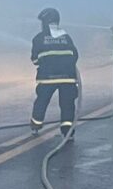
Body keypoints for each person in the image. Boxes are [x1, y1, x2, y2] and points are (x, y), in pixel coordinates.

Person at [30, 7, 79, 139]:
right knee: (67, 104)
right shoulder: (66, 37)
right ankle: (67, 132)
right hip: (68, 78)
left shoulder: (38, 39)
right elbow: (75, 55)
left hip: (47, 78)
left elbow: (35, 60)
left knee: (41, 101)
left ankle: (35, 126)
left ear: (45, 22)